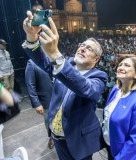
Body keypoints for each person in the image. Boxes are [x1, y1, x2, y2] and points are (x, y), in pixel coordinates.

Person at [22, 12, 107, 160]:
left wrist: (55, 53)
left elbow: (85, 88)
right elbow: (42, 61)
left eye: (89, 49)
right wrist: (32, 38)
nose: (82, 48)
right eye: (82, 45)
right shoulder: (66, 63)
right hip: (58, 136)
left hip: (78, 140)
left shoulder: (99, 76)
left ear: (96, 59)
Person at [102, 55, 136, 160]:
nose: (121, 67)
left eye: (127, 65)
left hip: (124, 154)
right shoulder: (115, 90)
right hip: (111, 147)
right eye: (120, 65)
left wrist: (120, 157)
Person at [25, 59, 54, 149]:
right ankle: (51, 138)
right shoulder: (32, 63)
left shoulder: (54, 58)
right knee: (49, 120)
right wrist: (36, 103)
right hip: (46, 99)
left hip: (59, 96)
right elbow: (30, 84)